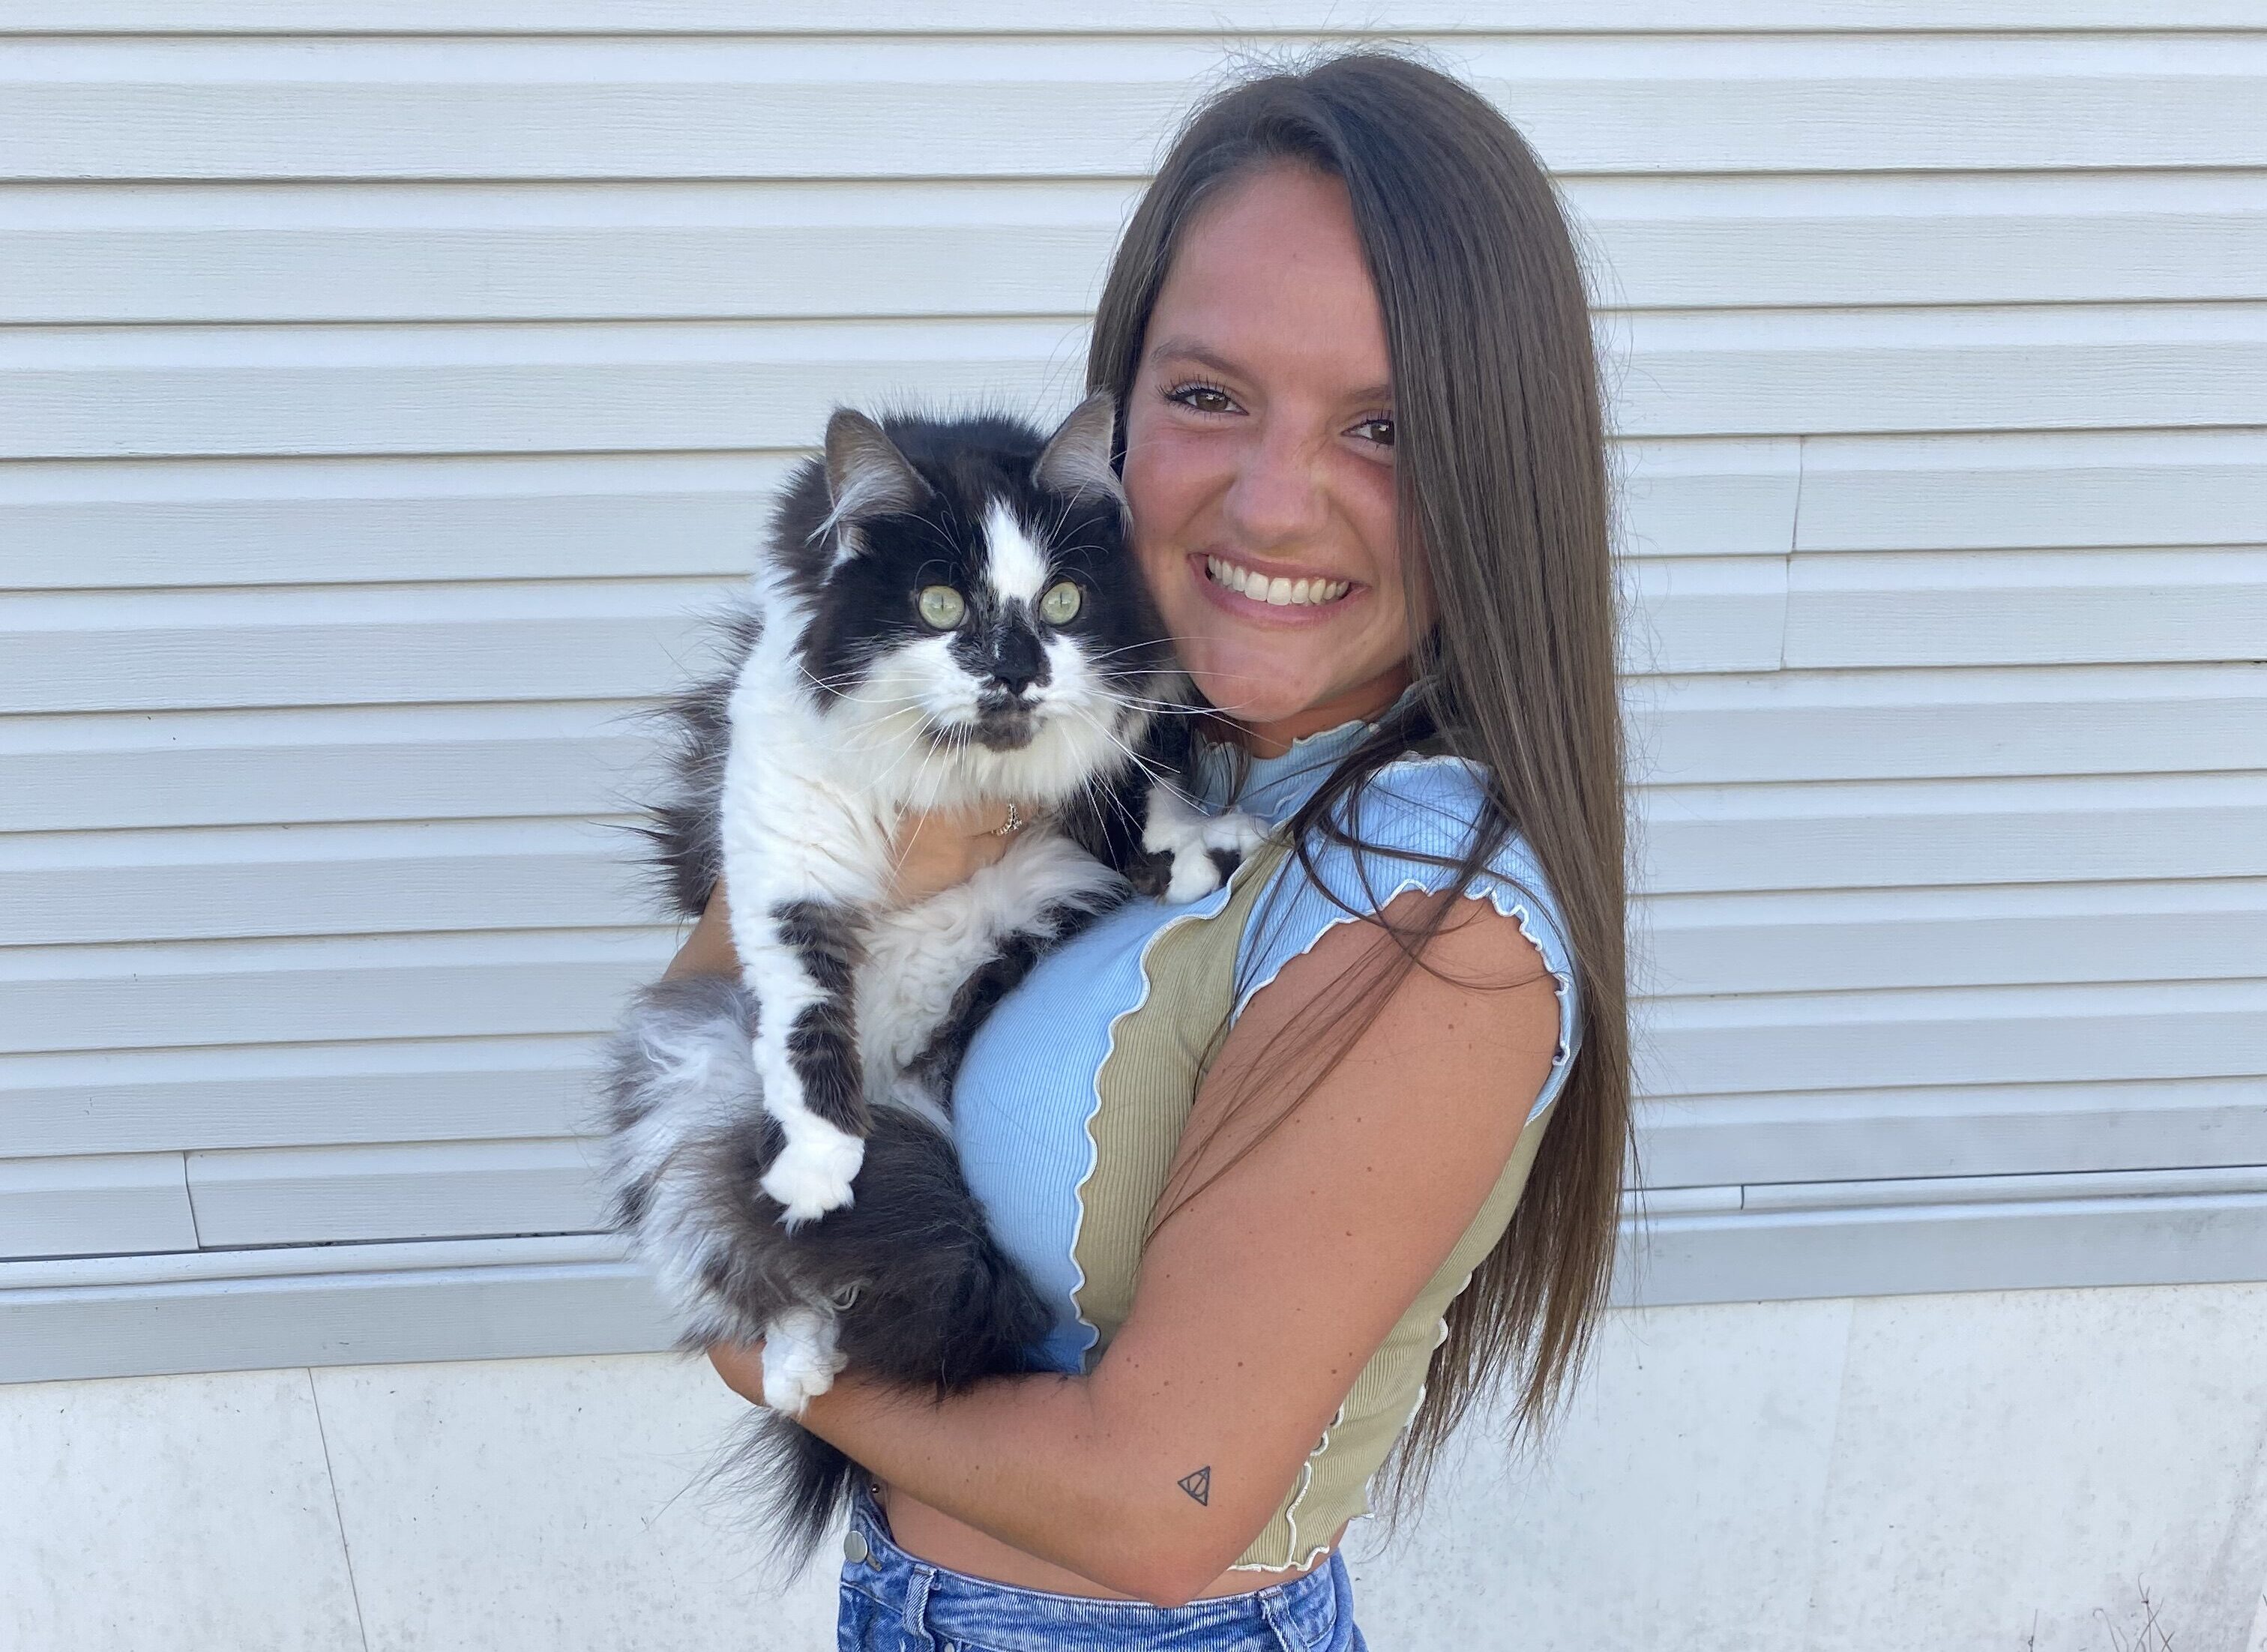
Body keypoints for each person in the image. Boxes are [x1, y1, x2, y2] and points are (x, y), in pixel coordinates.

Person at [668, 49, 1631, 1651]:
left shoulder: (1432, 914)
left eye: (1384, 425)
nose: (1271, 502)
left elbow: (1157, 1503)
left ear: (1499, 464)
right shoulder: (1126, 744)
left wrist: (757, 1341)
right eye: (1208, 396)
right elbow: (716, 1025)